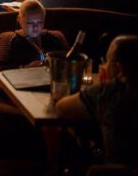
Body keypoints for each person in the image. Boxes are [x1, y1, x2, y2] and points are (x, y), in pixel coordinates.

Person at [57, 35, 138, 168]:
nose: (103, 66)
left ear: (119, 69)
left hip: (117, 174)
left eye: (106, 61)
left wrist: (103, 85)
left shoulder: (110, 91)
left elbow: (62, 107)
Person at [0, 0, 66, 70]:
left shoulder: (56, 36)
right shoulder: (8, 39)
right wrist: (25, 68)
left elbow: (68, 62)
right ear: (20, 20)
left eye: (40, 22)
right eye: (30, 23)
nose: (36, 27)